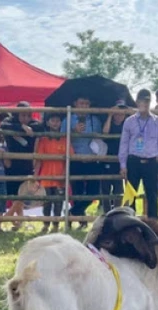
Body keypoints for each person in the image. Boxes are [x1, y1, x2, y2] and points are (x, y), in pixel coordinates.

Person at [118, 88, 158, 220]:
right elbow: (124, 143)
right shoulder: (129, 121)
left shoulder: (157, 121)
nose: (144, 104)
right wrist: (123, 164)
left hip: (151, 161)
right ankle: (130, 222)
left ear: (150, 102)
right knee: (131, 195)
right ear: (137, 102)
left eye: (147, 101)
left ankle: (154, 224)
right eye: (142, 101)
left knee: (152, 194)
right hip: (134, 161)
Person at [1, 102, 43, 231]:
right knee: (14, 193)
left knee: (23, 192)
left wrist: (24, 126)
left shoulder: (34, 124)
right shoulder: (9, 122)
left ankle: (9, 215)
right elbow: (4, 125)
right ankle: (19, 221)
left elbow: (39, 128)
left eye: (27, 115)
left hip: (27, 163)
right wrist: (22, 127)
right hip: (12, 163)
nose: (25, 118)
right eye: (22, 115)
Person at [63, 95, 103, 229]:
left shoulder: (95, 119)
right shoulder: (68, 118)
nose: (84, 106)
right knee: (77, 192)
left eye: (87, 103)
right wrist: (74, 131)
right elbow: (61, 137)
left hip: (92, 159)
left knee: (94, 192)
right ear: (75, 103)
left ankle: (71, 213)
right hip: (75, 158)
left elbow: (100, 137)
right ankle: (81, 219)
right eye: (81, 103)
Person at [35, 113, 67, 234]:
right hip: (46, 176)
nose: (55, 123)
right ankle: (46, 224)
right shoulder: (43, 140)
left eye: (57, 121)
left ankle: (56, 225)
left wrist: (64, 174)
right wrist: (36, 176)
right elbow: (39, 159)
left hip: (60, 176)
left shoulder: (64, 139)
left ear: (60, 123)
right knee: (47, 202)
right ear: (48, 123)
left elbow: (68, 159)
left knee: (58, 202)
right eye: (52, 120)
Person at [101, 100, 127, 213]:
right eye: (117, 112)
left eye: (122, 113)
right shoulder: (108, 122)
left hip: (121, 158)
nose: (119, 115)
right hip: (108, 156)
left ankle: (117, 211)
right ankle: (107, 212)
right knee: (105, 187)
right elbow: (105, 133)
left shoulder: (127, 123)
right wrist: (110, 115)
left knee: (118, 187)